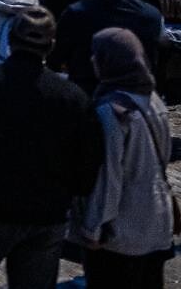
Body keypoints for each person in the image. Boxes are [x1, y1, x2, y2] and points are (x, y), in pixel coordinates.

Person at [0, 6, 103, 289]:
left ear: (11, 40)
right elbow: (88, 161)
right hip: (44, 212)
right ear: (51, 45)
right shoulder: (71, 97)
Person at [72, 28, 175, 288]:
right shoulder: (153, 101)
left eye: (97, 55)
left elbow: (109, 177)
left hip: (122, 232)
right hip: (157, 223)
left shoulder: (112, 111)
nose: (93, 61)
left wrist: (93, 228)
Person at [52, 0, 164, 92]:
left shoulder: (76, 13)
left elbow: (55, 59)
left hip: (87, 97)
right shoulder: (151, 16)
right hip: (135, 99)